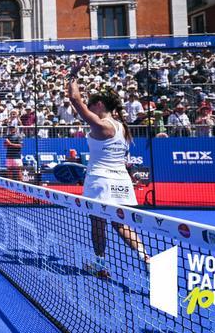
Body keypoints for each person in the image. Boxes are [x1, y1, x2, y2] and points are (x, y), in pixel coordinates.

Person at [66, 61, 148, 279]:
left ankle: (100, 265)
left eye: (92, 106)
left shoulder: (102, 125)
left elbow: (75, 100)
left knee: (98, 223)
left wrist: (72, 74)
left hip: (100, 182)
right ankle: (146, 258)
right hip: (122, 182)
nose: (90, 109)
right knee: (120, 224)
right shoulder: (123, 127)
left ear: (100, 105)